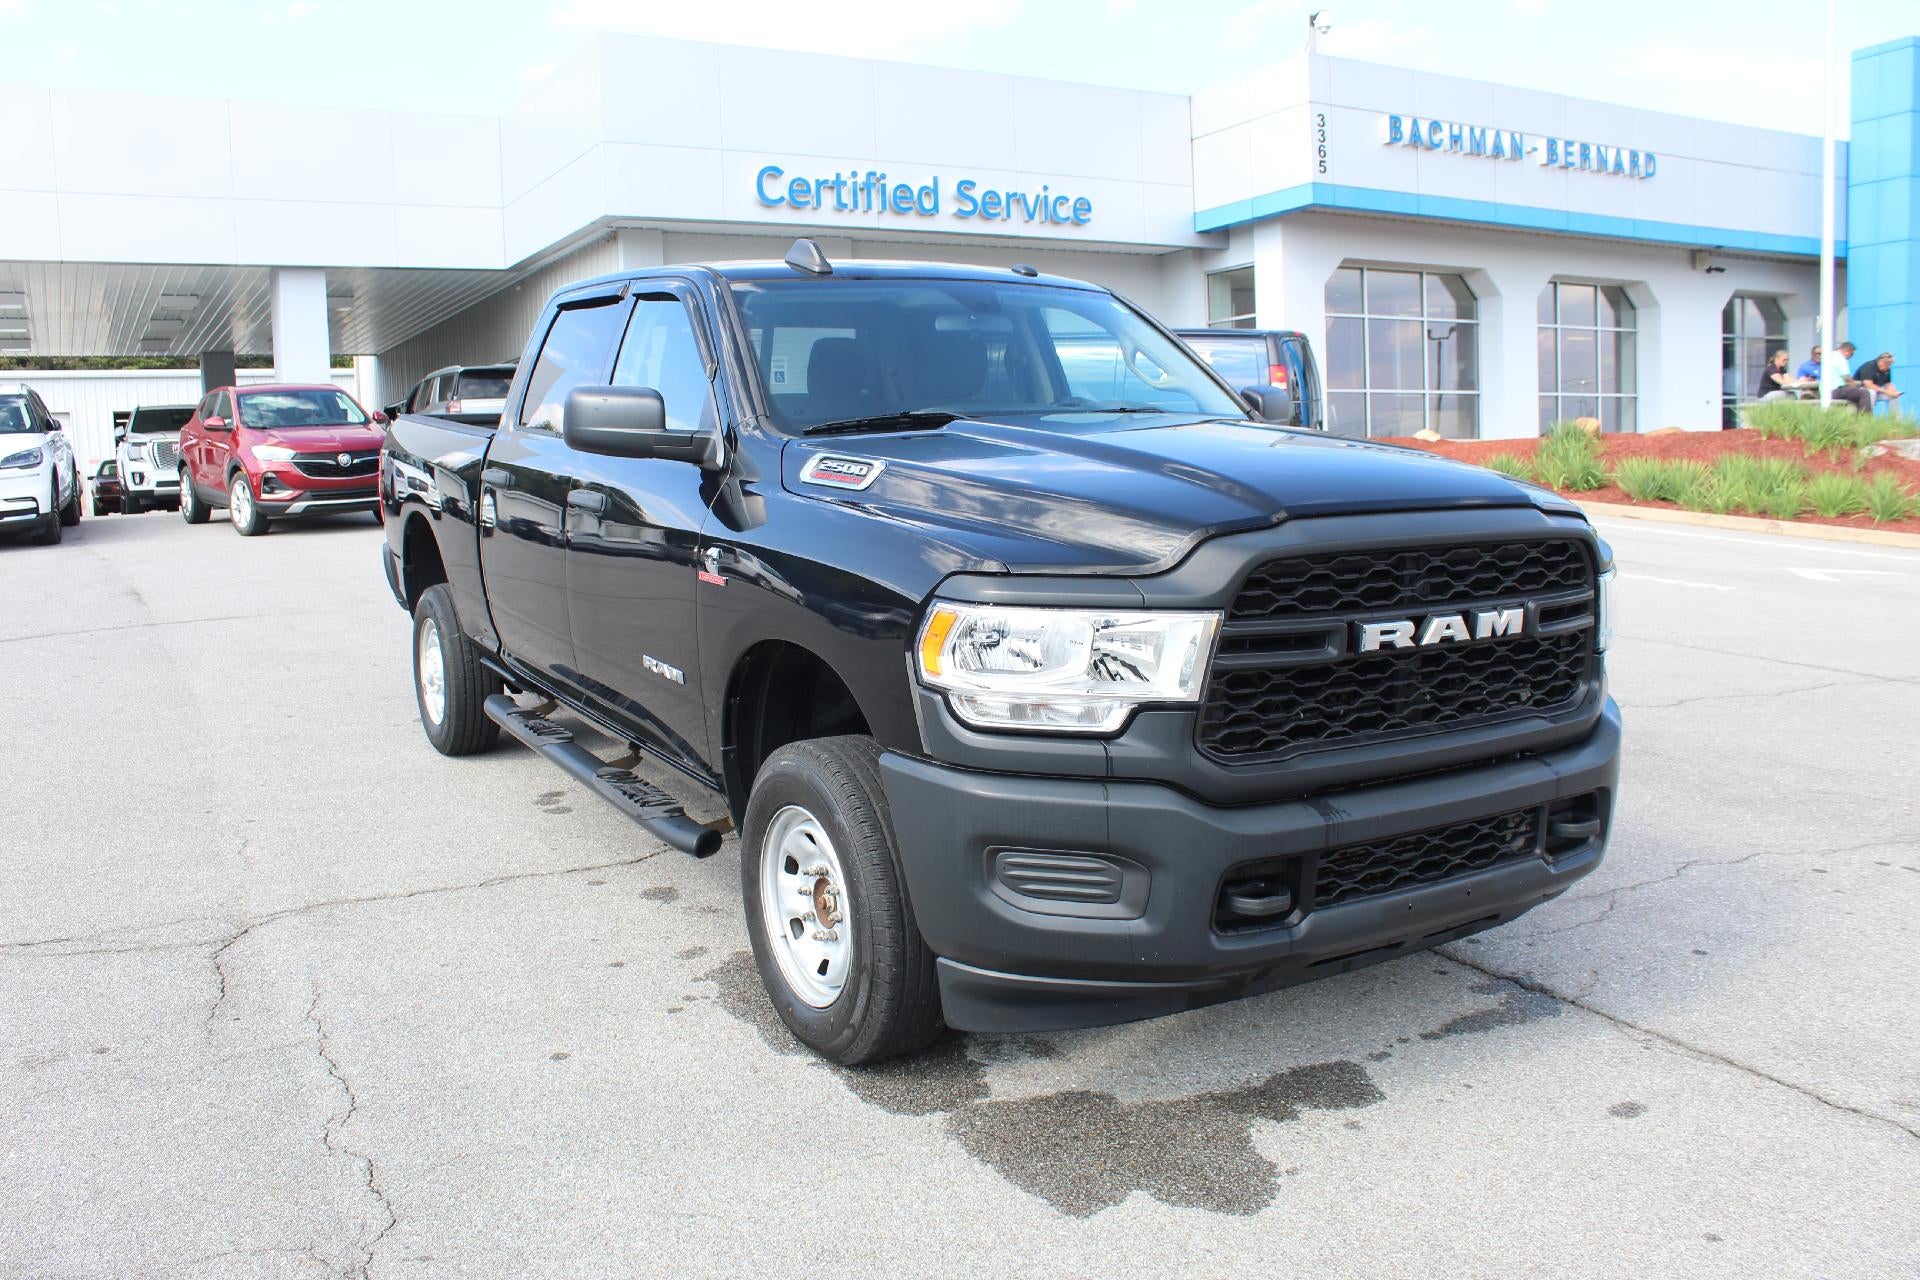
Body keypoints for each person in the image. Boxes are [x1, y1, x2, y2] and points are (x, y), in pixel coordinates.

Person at [1823, 341, 1875, 413]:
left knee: (1856, 394)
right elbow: (1847, 379)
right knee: (1864, 393)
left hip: (1825, 391)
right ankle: (1866, 418)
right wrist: (1856, 387)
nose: (1851, 357)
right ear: (1848, 351)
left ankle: (1857, 418)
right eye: (1852, 354)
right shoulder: (1840, 358)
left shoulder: (1830, 356)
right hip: (1835, 390)